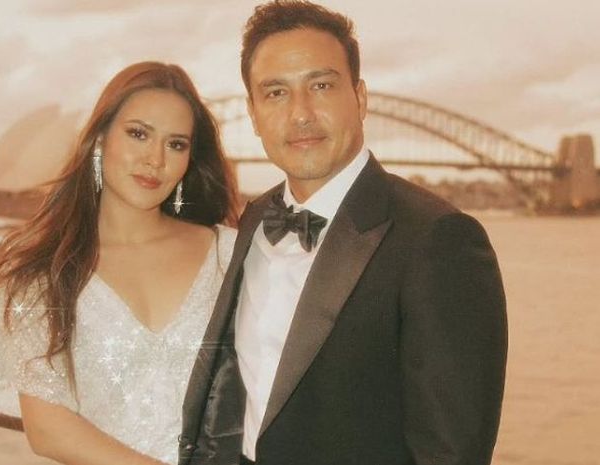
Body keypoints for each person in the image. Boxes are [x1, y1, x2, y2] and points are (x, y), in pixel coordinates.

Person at [179, 2, 508, 465]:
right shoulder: (254, 219)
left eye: (321, 85)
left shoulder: (439, 239)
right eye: (275, 93)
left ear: (360, 98)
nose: (300, 113)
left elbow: (451, 452)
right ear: (252, 114)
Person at [0, 61, 238, 465]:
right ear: (101, 138)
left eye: (176, 144)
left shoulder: (230, 254)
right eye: (138, 134)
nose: (155, 159)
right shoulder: (44, 272)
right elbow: (47, 429)